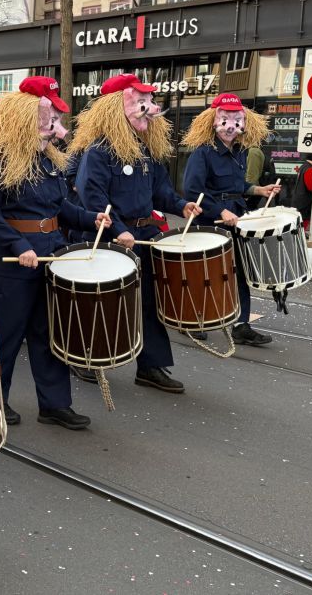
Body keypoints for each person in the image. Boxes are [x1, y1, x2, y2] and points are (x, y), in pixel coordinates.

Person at [0, 77, 110, 428]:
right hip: (11, 262)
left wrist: (91, 218)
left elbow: (58, 207)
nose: (55, 131)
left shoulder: (47, 160)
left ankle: (54, 404)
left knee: (49, 334)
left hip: (50, 256)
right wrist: (20, 246)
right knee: (5, 337)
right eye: (48, 122)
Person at [70, 74, 202, 394]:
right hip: (111, 238)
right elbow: (92, 197)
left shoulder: (147, 149)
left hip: (142, 237)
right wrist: (118, 230)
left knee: (148, 302)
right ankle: (85, 357)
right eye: (139, 102)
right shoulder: (99, 151)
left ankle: (150, 366)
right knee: (105, 303)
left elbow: (161, 192)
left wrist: (182, 205)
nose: (148, 110)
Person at [182, 93, 280, 346]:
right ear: (214, 121)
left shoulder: (241, 152)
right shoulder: (202, 153)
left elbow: (238, 186)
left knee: (240, 272)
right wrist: (219, 211)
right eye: (225, 119)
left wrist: (259, 190)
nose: (231, 126)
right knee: (207, 274)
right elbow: (192, 191)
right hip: (210, 222)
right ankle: (193, 321)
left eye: (236, 120)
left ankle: (241, 325)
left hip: (237, 217)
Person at [291, 158, 312, 231]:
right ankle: (302, 234)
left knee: (300, 217)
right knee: (305, 217)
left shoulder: (303, 166)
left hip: (298, 196)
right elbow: (310, 186)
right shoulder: (310, 169)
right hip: (305, 198)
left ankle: (300, 233)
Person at [245, 144, 277, 211]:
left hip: (250, 196)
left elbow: (251, 178)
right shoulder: (248, 151)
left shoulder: (253, 152)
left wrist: (244, 195)